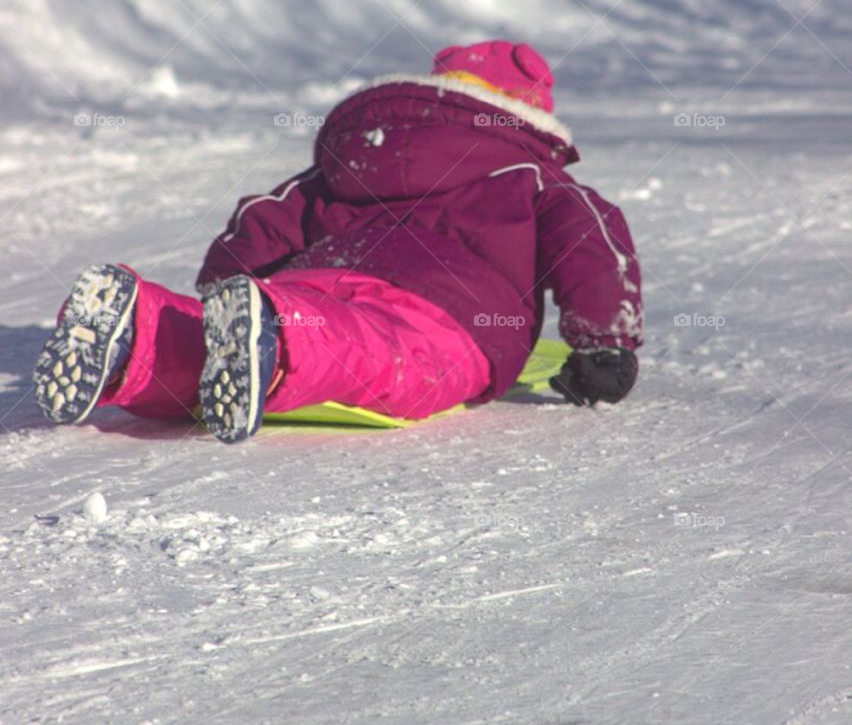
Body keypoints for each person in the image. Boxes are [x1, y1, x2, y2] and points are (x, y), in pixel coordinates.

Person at [33, 40, 643, 444]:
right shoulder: (533, 172)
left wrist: (226, 284)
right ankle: (273, 329)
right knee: (386, 358)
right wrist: (603, 345)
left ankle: (140, 335)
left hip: (315, 275)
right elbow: (592, 240)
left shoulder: (351, 161)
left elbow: (268, 218)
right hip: (447, 309)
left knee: (214, 352)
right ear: (530, 118)